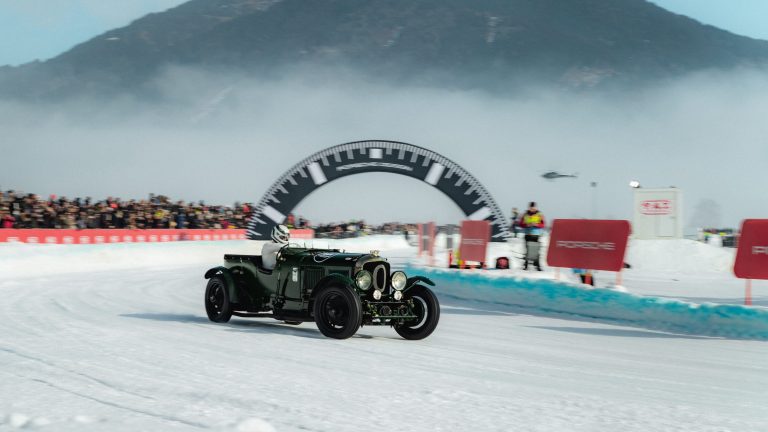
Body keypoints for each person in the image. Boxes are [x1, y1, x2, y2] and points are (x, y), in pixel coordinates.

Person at [518, 202, 545, 271]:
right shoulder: (525, 214)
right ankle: (525, 265)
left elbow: (543, 225)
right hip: (527, 234)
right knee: (527, 250)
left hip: (536, 235)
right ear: (529, 208)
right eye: (531, 208)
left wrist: (536, 224)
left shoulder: (540, 214)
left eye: (533, 208)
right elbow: (520, 224)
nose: (532, 209)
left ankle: (537, 265)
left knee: (536, 251)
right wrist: (527, 225)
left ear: (536, 207)